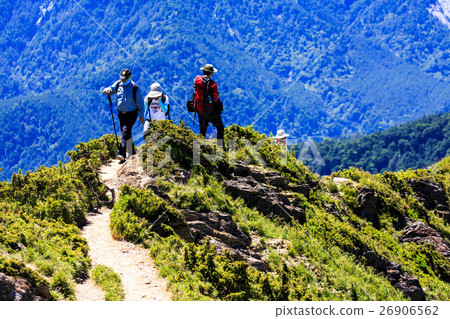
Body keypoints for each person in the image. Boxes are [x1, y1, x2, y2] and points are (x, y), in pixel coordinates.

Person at [103, 68, 144, 163]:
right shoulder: (118, 84)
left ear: (129, 77)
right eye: (121, 78)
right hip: (121, 113)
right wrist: (107, 90)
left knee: (125, 132)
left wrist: (141, 115)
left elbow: (140, 102)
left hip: (132, 113)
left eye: (124, 78)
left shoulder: (135, 87)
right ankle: (132, 153)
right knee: (126, 133)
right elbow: (111, 89)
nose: (122, 80)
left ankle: (121, 153)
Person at [193, 64, 224, 142]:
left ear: (203, 71)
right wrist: (218, 96)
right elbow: (215, 99)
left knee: (203, 128)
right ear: (211, 73)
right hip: (210, 110)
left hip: (199, 109)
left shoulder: (197, 82)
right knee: (220, 127)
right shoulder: (213, 84)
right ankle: (220, 148)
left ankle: (201, 148)